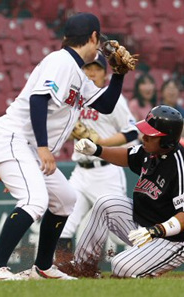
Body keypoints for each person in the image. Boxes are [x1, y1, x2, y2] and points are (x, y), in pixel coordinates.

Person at [0, 12, 126, 281]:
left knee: (65, 200)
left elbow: (105, 106)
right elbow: (38, 100)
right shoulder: (61, 61)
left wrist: (118, 75)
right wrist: (44, 149)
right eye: (99, 39)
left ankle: (43, 268)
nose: (100, 46)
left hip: (26, 147)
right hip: (15, 139)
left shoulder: (77, 74)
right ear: (94, 37)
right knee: (35, 200)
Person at [68, 105, 184, 278]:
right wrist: (97, 150)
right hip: (143, 226)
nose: (144, 137)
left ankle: (147, 265)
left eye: (150, 135)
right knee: (106, 203)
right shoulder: (151, 151)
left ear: (166, 140)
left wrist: (156, 231)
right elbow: (127, 156)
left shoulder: (182, 166)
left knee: (120, 266)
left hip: (171, 241)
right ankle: (83, 267)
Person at [56, 55, 138, 261]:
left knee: (123, 231)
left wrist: (100, 144)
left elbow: (131, 133)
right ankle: (60, 270)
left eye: (97, 69)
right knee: (64, 221)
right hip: (80, 172)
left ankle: (144, 262)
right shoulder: (75, 98)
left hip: (106, 171)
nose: (91, 73)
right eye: (87, 68)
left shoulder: (115, 99)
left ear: (105, 73)